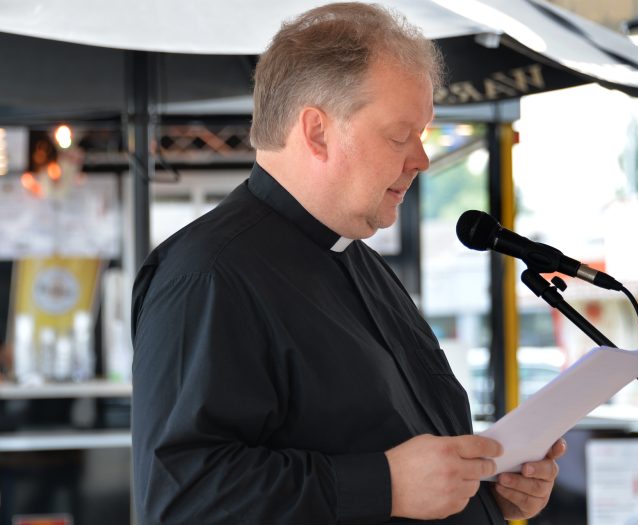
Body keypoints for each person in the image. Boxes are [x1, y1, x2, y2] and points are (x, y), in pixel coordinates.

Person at [131, 3, 565, 523]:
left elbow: (396, 446)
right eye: (400, 135)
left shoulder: (364, 263)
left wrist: (488, 489)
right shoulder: (207, 276)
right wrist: (384, 486)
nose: (421, 160)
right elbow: (181, 499)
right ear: (316, 131)